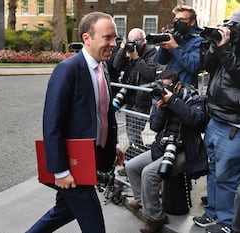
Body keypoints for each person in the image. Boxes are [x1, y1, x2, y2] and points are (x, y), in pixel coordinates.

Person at [25, 12, 124, 233]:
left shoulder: (103, 68)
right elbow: (52, 123)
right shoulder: (67, 70)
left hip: (92, 159)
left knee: (64, 211)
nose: (113, 44)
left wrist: (114, 144)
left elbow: (104, 114)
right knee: (95, 227)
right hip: (73, 164)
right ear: (87, 38)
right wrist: (60, 171)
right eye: (107, 38)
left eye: (115, 38)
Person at [125, 69, 208, 233]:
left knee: (148, 173)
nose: (164, 90)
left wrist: (173, 101)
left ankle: (155, 217)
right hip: (163, 146)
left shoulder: (191, 96)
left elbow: (197, 121)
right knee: (132, 166)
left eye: (167, 87)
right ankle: (143, 202)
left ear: (177, 85)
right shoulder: (159, 96)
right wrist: (162, 108)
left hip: (185, 149)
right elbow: (154, 127)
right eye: (162, 87)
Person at [192, 9, 240, 233]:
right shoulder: (225, 47)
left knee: (227, 176)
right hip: (216, 118)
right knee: (213, 170)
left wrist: (226, 48)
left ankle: (227, 222)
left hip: (233, 124)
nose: (230, 28)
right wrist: (215, 43)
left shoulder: (231, 50)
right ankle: (212, 212)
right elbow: (208, 66)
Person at [112, 28, 157, 162]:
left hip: (141, 99)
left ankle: (134, 162)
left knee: (133, 133)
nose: (133, 44)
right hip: (129, 97)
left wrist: (136, 58)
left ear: (143, 41)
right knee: (132, 133)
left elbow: (149, 75)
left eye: (136, 41)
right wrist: (122, 50)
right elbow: (116, 65)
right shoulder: (127, 49)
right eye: (131, 41)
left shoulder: (150, 50)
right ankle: (136, 162)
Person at [156, 4, 203, 88]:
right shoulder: (176, 36)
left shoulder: (199, 40)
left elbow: (194, 66)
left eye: (181, 19)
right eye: (176, 19)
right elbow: (161, 60)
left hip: (185, 88)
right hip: (169, 85)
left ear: (192, 22)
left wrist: (174, 48)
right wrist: (165, 42)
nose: (177, 22)